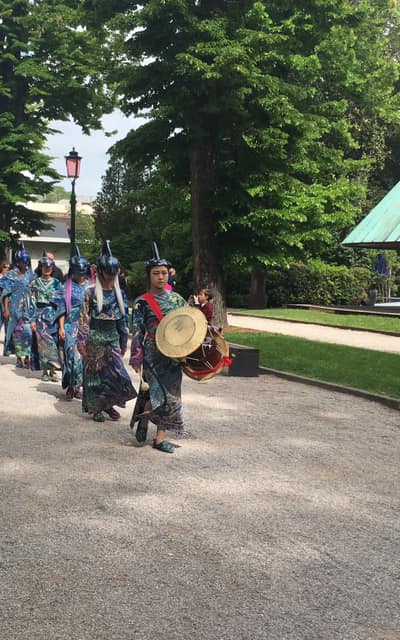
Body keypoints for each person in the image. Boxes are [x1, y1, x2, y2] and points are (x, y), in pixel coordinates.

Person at [129, 242, 188, 453]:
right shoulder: (141, 302)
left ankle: (159, 438)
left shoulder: (178, 300)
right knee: (155, 393)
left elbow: (188, 324)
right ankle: (144, 420)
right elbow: (137, 330)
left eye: (164, 273)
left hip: (173, 354)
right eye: (156, 273)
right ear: (149, 276)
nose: (161, 277)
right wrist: (136, 356)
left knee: (170, 396)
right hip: (152, 353)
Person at [77, 241, 136, 422]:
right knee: (94, 376)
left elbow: (123, 321)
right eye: (107, 272)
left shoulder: (121, 294)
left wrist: (124, 342)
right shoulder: (90, 293)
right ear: (101, 272)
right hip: (94, 338)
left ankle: (108, 403)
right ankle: (97, 408)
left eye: (113, 272)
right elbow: (83, 318)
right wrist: (81, 341)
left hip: (113, 338)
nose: (110, 276)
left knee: (118, 374)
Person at [56, 246, 90, 400]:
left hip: (87, 327)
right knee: (72, 357)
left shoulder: (92, 286)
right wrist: (61, 328)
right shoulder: (66, 287)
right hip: (71, 326)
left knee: (84, 359)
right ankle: (71, 385)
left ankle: (77, 386)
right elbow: (61, 309)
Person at [30, 251, 63, 381]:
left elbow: (61, 303)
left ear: (52, 268)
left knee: (54, 343)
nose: (47, 269)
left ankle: (53, 370)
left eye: (49, 267)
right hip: (40, 316)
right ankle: (44, 371)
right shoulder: (34, 283)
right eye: (44, 267)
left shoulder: (57, 283)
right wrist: (32, 320)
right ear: (41, 267)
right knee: (42, 344)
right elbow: (31, 302)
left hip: (53, 316)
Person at [1, 244, 35, 367]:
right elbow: (6, 293)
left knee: (28, 333)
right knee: (16, 333)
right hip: (14, 308)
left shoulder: (31, 274)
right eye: (22, 262)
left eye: (26, 262)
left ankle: (27, 356)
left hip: (28, 308)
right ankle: (19, 358)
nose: (24, 265)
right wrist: (6, 309)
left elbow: (35, 290)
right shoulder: (11, 274)